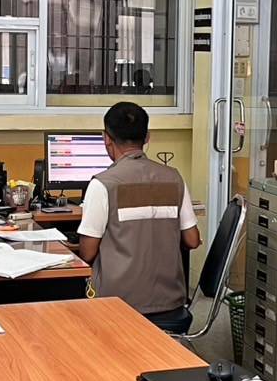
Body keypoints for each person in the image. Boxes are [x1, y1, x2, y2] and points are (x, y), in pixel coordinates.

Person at [77, 101, 201, 332]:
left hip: (116, 304)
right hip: (171, 303)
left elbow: (87, 253)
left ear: (106, 139)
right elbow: (192, 240)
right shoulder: (174, 178)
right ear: (147, 137)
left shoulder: (103, 184)